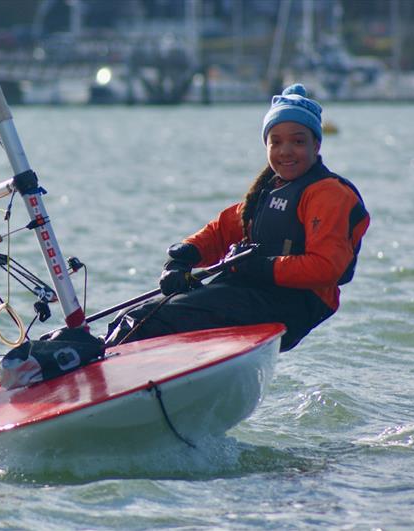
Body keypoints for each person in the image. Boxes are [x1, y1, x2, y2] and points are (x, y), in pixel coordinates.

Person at [105, 84, 370, 352]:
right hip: (249, 293)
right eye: (275, 142)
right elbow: (221, 231)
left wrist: (260, 267)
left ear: (317, 144)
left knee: (147, 323)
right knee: (130, 319)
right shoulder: (268, 191)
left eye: (298, 141)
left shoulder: (329, 194)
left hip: (291, 304)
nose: (286, 150)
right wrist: (182, 258)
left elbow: (327, 267)